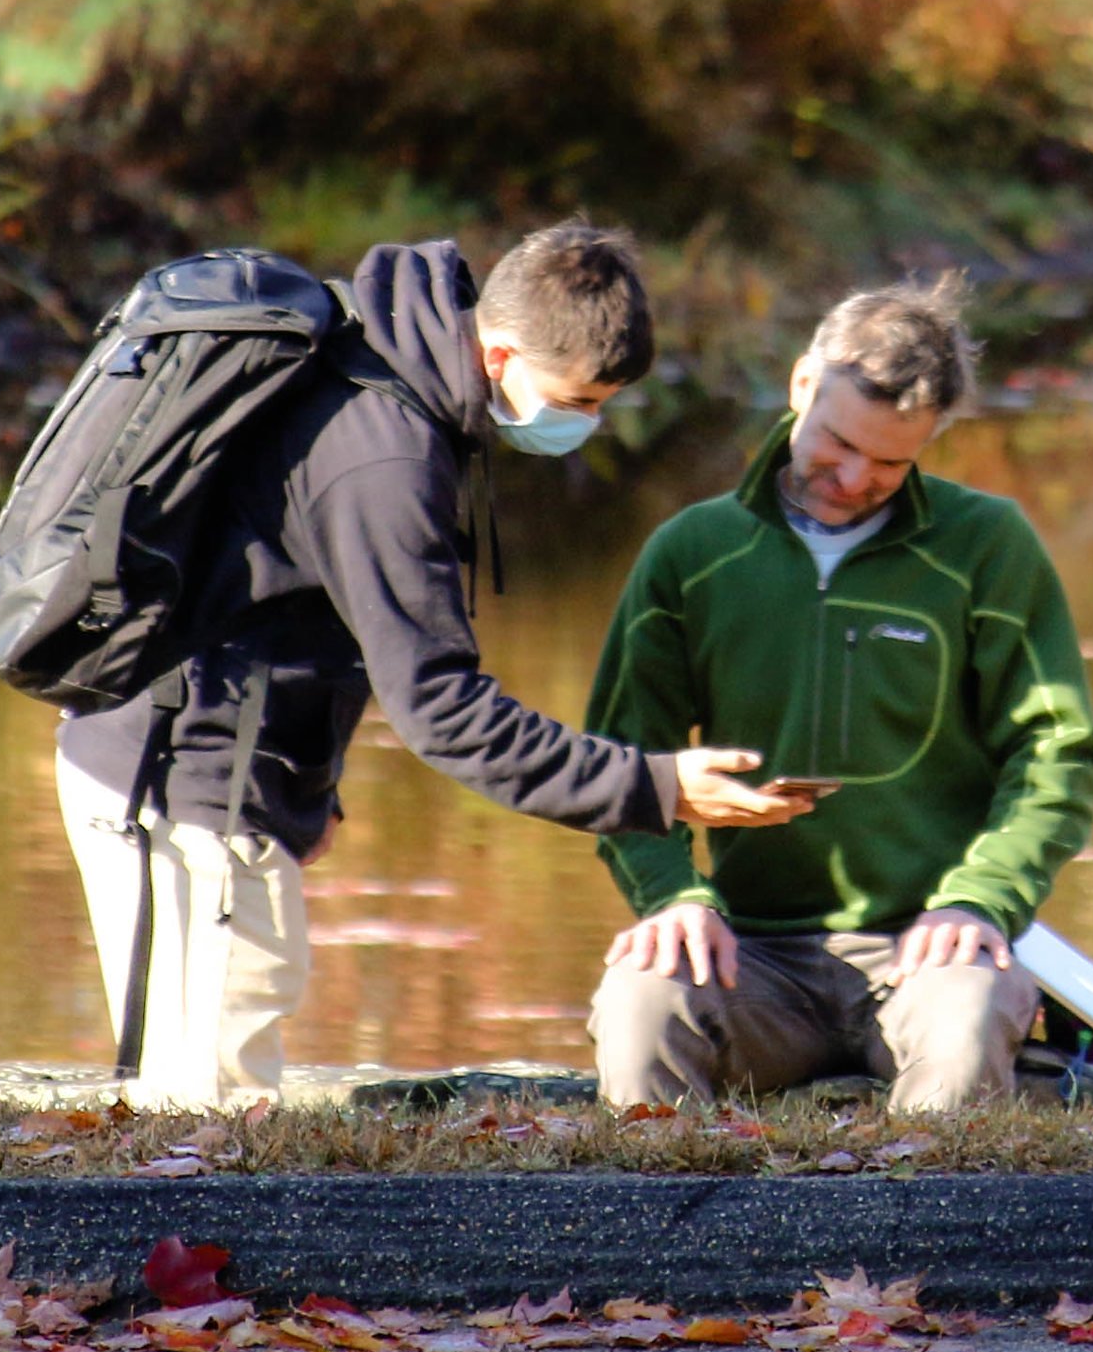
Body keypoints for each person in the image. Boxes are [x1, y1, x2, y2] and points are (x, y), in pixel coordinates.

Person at [53, 221, 812, 1104]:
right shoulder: (384, 454)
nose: (588, 424)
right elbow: (443, 711)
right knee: (203, 1112)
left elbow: (300, 602)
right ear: (497, 353)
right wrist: (659, 787)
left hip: (228, 776)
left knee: (217, 1096)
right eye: (575, 401)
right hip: (179, 783)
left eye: (603, 404)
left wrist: (311, 782)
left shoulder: (392, 364)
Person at [582, 274, 1093, 1113]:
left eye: (891, 462)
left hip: (931, 946)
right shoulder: (694, 551)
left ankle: (931, 1241)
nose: (855, 477)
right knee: (640, 1007)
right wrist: (672, 897)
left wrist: (981, 898)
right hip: (748, 955)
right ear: (800, 386)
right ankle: (667, 1241)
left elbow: (1056, 759)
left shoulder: (988, 546)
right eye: (836, 441)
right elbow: (619, 763)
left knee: (967, 1024)